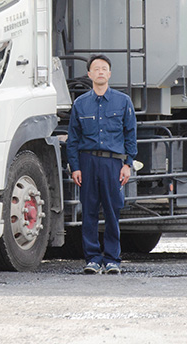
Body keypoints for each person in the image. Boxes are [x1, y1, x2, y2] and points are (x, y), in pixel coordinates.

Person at [66, 54, 137, 274]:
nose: (100, 72)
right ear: (89, 74)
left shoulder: (122, 101)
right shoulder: (80, 103)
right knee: (88, 212)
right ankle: (93, 259)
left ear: (109, 74)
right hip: (87, 163)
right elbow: (73, 138)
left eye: (104, 68)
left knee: (112, 210)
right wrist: (75, 166)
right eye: (96, 69)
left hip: (112, 164)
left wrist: (128, 164)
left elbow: (130, 134)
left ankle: (113, 259)